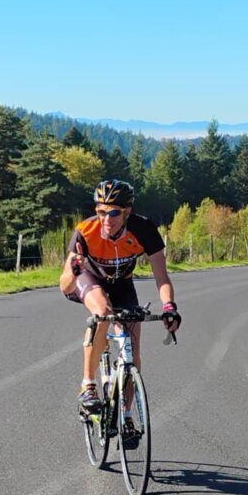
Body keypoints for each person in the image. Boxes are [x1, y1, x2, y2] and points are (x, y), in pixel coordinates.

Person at [59, 178, 181, 417]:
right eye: (101, 211)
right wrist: (74, 269)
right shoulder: (85, 232)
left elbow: (162, 277)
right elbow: (64, 285)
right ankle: (88, 387)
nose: (106, 219)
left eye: (114, 212)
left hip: (122, 285)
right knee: (103, 313)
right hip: (89, 279)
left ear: (128, 212)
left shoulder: (144, 230)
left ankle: (124, 416)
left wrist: (169, 306)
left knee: (132, 352)